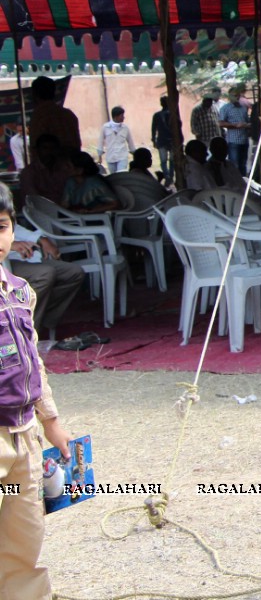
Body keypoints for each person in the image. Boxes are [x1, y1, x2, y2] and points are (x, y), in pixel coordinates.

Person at [0, 182, 72, 600]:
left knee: (23, 540)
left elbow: (35, 362)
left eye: (2, 226)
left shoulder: (20, 291)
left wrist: (52, 422)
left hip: (24, 436)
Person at [7, 221, 85, 341]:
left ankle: (41, 320)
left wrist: (40, 239)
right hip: (4, 263)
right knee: (45, 274)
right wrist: (7, 244)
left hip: (20, 257)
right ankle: (21, 330)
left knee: (73, 273)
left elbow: (12, 228)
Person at [28, 75, 81, 154]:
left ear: (35, 95)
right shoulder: (69, 115)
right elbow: (77, 144)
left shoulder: (38, 116)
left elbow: (36, 149)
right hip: (72, 163)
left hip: (52, 165)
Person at [19, 135, 74, 204]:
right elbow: (33, 199)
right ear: (37, 150)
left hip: (65, 209)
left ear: (57, 150)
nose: (49, 152)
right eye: (45, 148)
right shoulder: (29, 172)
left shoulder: (65, 168)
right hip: (40, 211)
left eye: (53, 148)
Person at [218, 87, 252, 176]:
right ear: (229, 96)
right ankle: (235, 184)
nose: (236, 97)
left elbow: (247, 121)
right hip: (233, 141)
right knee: (234, 165)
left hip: (244, 140)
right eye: (234, 95)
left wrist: (248, 126)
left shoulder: (243, 108)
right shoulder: (225, 108)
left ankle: (244, 184)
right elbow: (220, 123)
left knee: (243, 165)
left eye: (237, 95)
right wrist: (235, 125)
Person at [98, 106, 136, 174]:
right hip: (110, 157)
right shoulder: (105, 127)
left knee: (121, 174)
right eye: (122, 115)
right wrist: (99, 156)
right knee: (114, 177)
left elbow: (130, 142)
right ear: (116, 116)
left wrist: (135, 154)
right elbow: (100, 142)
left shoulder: (125, 128)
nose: (123, 117)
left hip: (122, 156)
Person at [150, 96, 174, 186]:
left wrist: (153, 139)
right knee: (171, 161)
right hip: (171, 140)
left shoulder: (157, 115)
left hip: (162, 140)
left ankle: (168, 176)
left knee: (164, 161)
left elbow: (153, 129)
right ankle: (170, 177)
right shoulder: (173, 114)